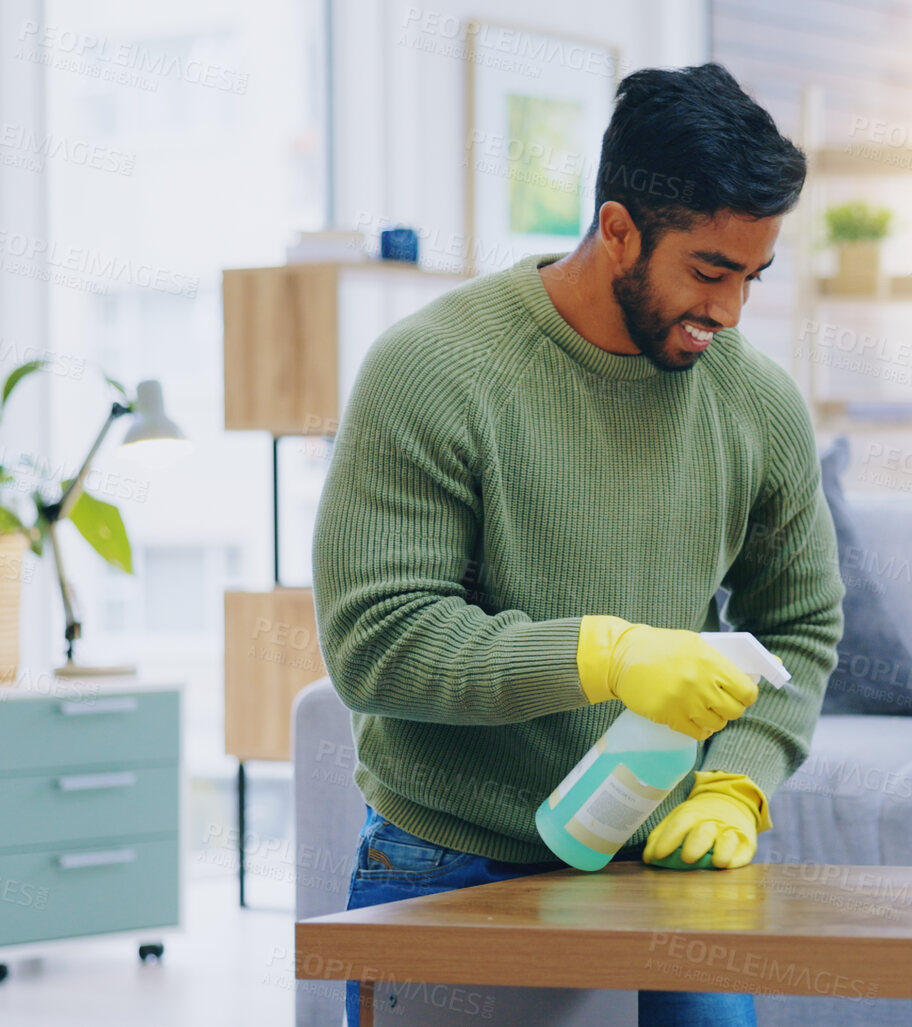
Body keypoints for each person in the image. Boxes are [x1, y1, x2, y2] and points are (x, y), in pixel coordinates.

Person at [312, 63, 843, 1027]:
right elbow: (375, 644)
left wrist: (736, 780)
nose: (728, 313)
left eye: (751, 277)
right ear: (617, 230)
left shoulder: (756, 404)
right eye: (708, 272)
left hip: (665, 862)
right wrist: (606, 654)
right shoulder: (433, 371)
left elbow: (800, 623)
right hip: (452, 853)